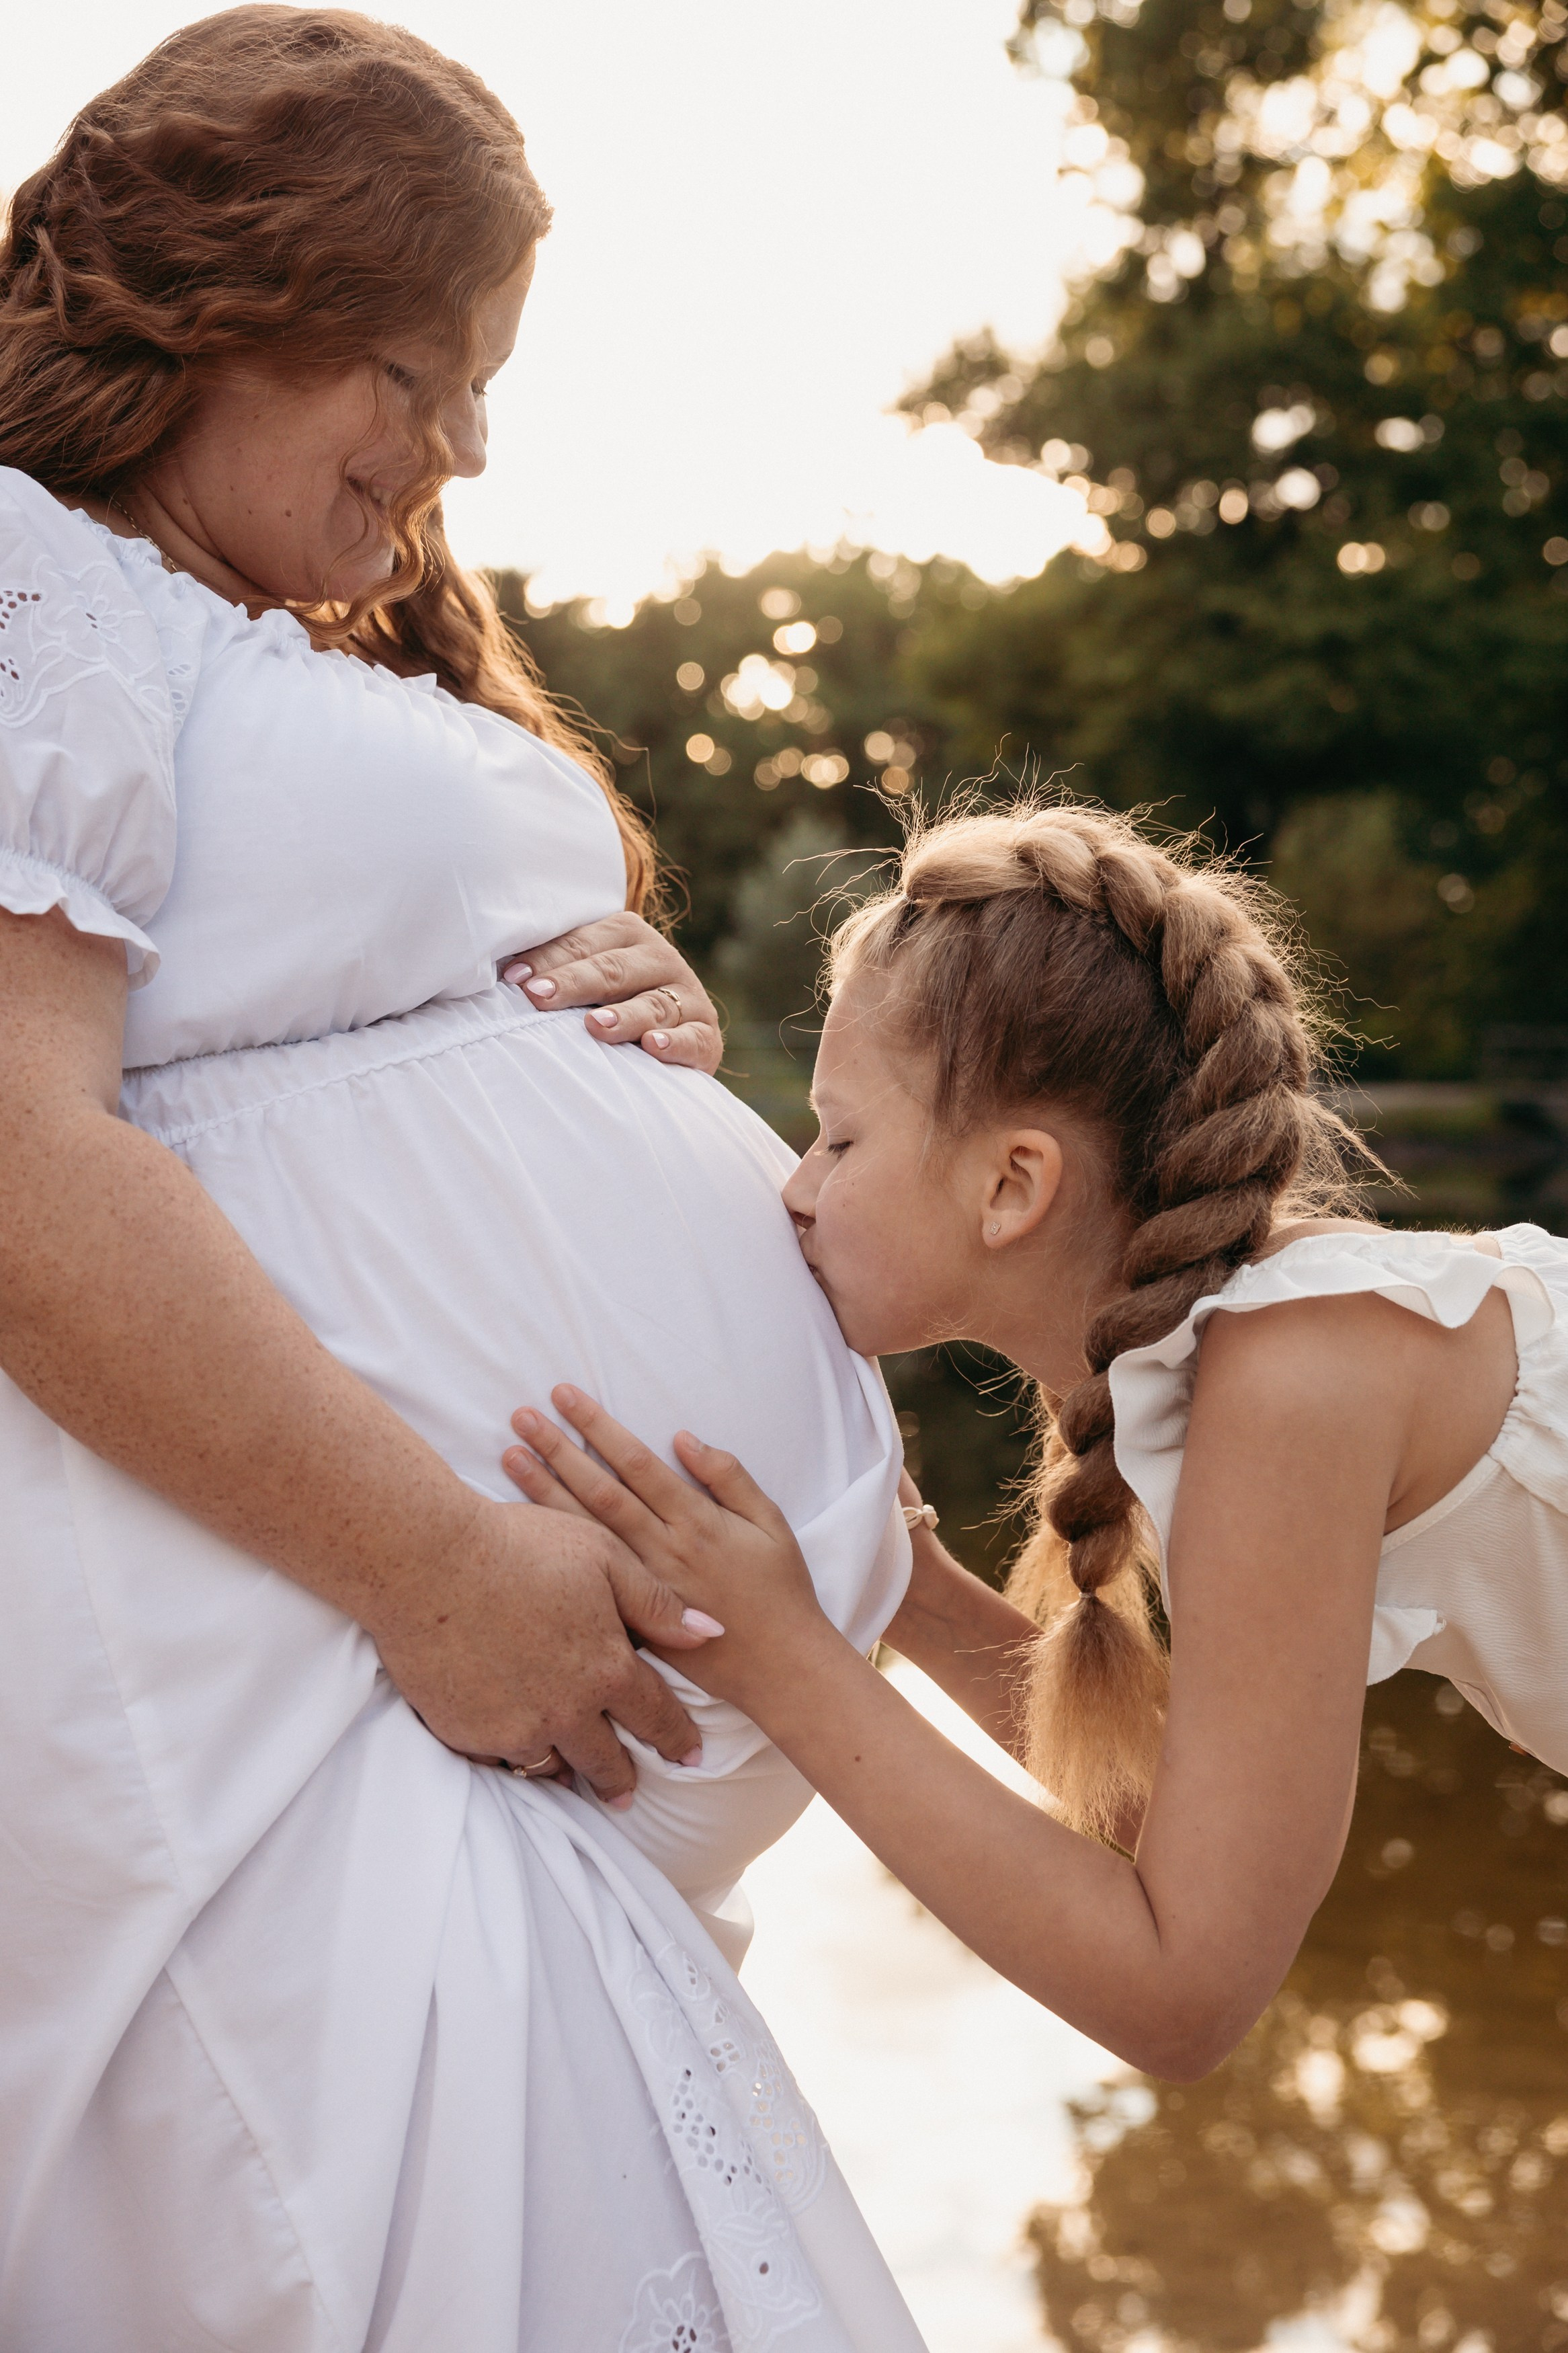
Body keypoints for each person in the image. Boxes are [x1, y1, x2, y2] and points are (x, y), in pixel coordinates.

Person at [0, 11, 927, 2347]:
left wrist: (591, 1009)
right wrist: (430, 1567)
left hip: (434, 1726)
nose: (463, 448)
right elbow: (10, 1148)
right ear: (234, 306)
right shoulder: (28, 578)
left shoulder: (214, 638)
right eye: (417, 369)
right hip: (317, 1687)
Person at [506, 798, 1568, 2086]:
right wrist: (911, 1592)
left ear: (1012, 1186)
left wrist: (784, 1657)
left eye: (839, 1138)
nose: (796, 1186)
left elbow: (1185, 1994)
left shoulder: (1292, 1376)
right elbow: (1192, 1837)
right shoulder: (1235, 1363)